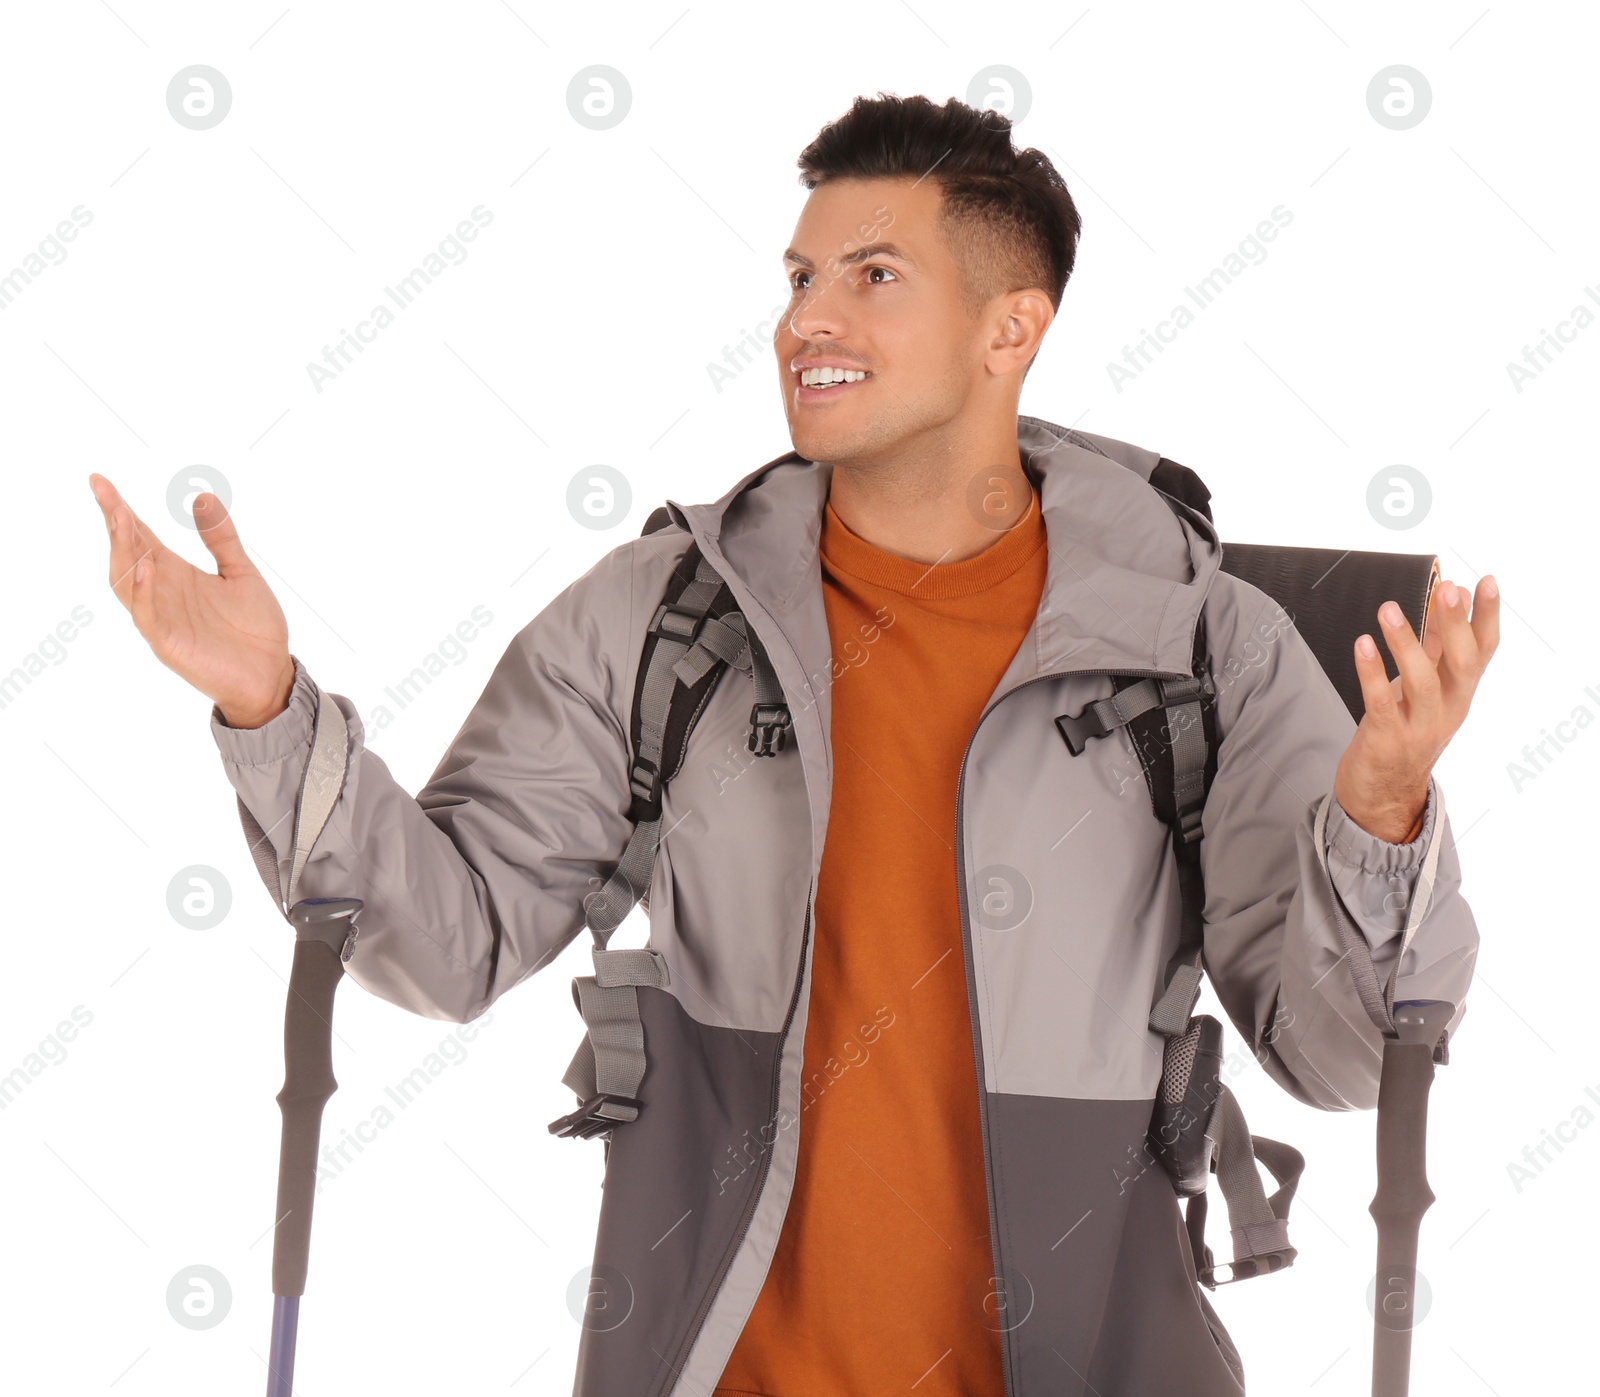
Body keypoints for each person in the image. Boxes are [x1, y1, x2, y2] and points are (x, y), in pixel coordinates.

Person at [89, 93, 1495, 1396]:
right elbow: (447, 939)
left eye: (873, 275)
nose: (807, 319)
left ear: (1012, 329)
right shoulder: (664, 619)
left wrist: (1380, 814)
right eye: (799, 277)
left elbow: (1343, 1054)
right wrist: (271, 710)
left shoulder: (1205, 643)